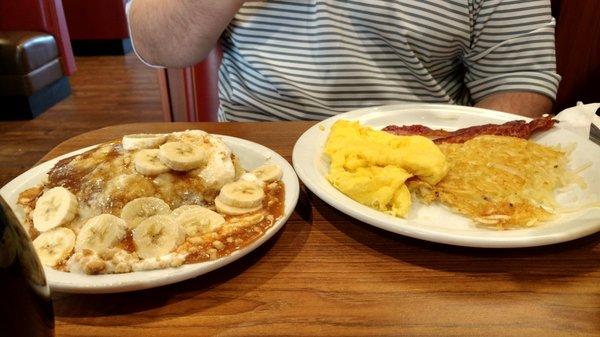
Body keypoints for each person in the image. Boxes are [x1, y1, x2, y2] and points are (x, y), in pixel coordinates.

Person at [128, 0, 560, 121]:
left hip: (423, 164)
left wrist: (449, 158)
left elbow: (520, 81)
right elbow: (158, 46)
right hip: (260, 160)